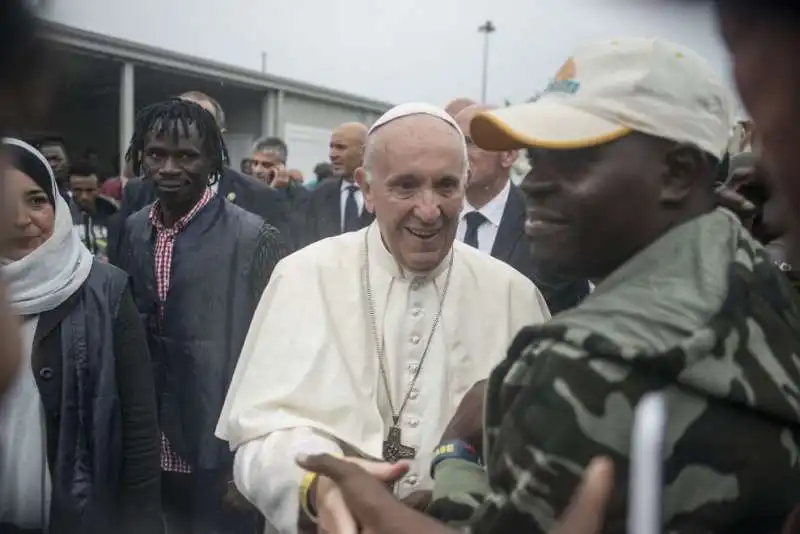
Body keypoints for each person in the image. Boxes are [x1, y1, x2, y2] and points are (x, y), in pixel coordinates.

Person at [289, 38, 800, 534]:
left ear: (678, 173)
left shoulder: (578, 363)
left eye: (572, 159)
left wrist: (451, 459)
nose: (533, 182)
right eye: (536, 155)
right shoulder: (765, 284)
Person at [216, 103, 551, 534]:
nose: (429, 210)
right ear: (367, 188)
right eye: (406, 187)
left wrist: (467, 498)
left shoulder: (513, 294)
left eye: (446, 186)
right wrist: (321, 486)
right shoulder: (304, 275)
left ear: (465, 185)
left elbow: (538, 456)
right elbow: (259, 438)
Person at [115, 98, 288, 534]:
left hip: (220, 454)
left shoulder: (254, 237)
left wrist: (249, 459)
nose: (169, 167)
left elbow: (278, 354)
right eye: (157, 154)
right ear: (141, 156)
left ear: (213, 160)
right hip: (148, 449)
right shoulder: (134, 229)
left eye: (186, 155)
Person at [0, 138, 161, 533]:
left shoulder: (105, 290)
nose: (21, 219)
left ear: (57, 205)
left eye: (37, 200)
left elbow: (139, 428)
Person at [114, 90, 293, 255]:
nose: (180, 131)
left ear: (218, 138)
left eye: (197, 123)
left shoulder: (261, 197)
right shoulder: (136, 194)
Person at [453, 103, 590, 314]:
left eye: (471, 143)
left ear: (508, 155)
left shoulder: (552, 227)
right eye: (455, 142)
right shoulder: (430, 216)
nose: (460, 154)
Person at [302, 122, 373, 246]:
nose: (332, 155)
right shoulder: (320, 194)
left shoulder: (382, 193)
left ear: (364, 151)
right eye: (331, 147)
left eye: (340, 147)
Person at [68, 158, 120, 261]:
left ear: (99, 188)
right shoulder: (59, 215)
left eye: (89, 190)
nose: (84, 197)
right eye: (77, 190)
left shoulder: (112, 212)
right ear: (69, 188)